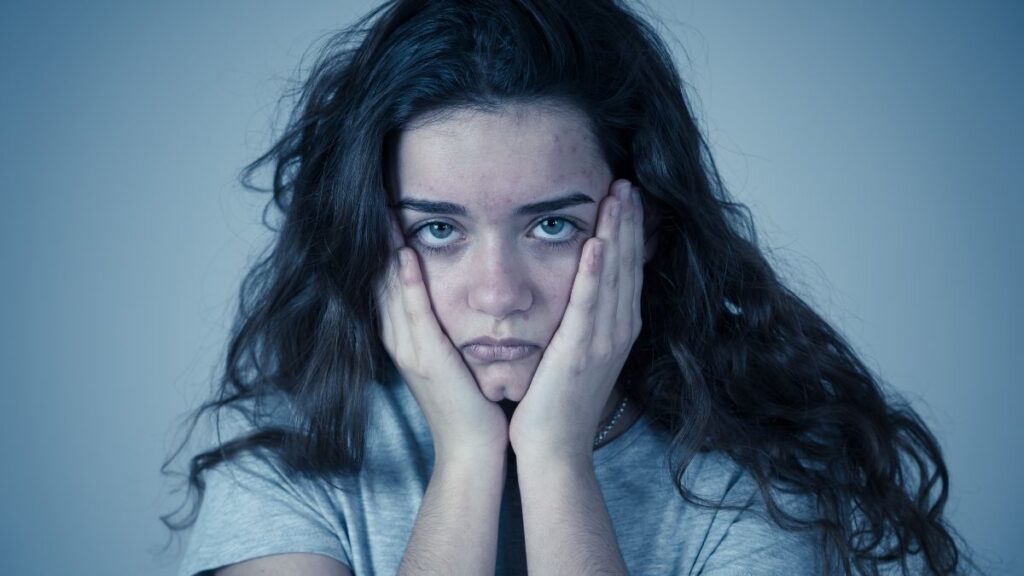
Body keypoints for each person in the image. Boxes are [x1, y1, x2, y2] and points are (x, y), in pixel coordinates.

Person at [163, 0, 973, 574]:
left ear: (644, 227)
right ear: (374, 235)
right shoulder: (288, 457)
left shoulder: (757, 482)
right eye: (438, 230)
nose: (498, 293)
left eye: (551, 225)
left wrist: (554, 459)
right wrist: (470, 457)